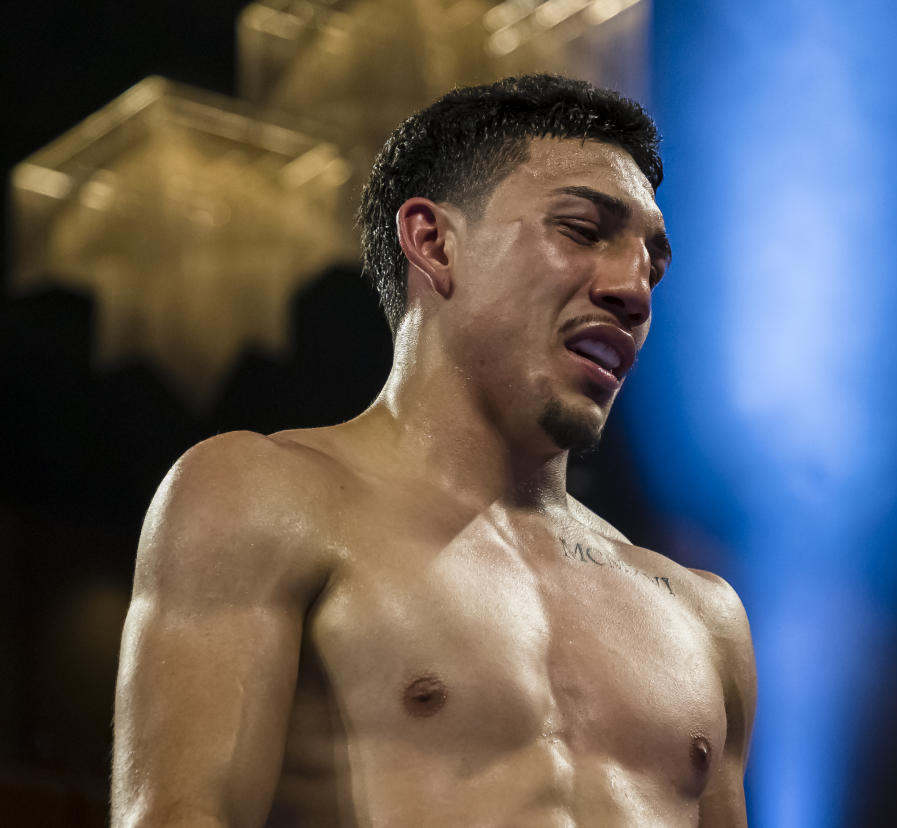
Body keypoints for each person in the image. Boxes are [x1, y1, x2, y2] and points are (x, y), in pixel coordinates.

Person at [111, 74, 756, 827]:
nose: (634, 290)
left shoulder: (703, 618)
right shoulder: (264, 498)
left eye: (653, 263)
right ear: (432, 241)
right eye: (583, 230)